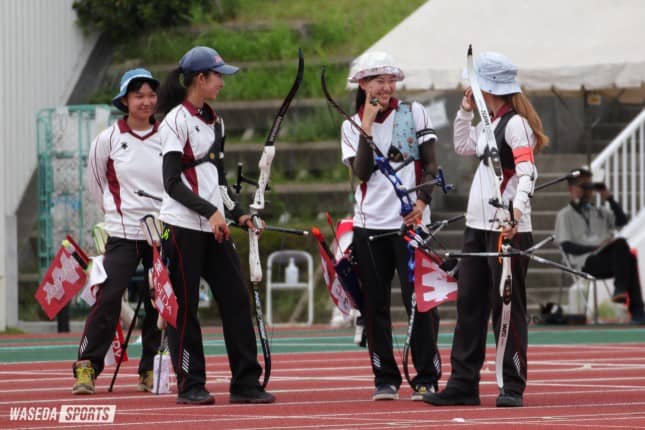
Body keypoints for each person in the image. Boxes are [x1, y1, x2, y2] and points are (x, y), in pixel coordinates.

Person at [424, 52, 548, 408]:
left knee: (507, 309)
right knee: (469, 305)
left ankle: (512, 385)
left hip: (507, 230)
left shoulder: (516, 125)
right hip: (476, 227)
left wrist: (516, 211)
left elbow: (527, 172)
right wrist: (465, 111)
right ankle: (463, 384)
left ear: (486, 87)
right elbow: (464, 145)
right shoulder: (489, 122)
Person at [156, 46, 275, 405]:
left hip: (214, 227)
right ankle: (191, 384)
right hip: (181, 228)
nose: (222, 83)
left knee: (236, 300)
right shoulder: (175, 121)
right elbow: (172, 183)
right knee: (185, 307)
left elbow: (219, 182)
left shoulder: (216, 121)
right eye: (218, 76)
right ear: (200, 78)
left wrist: (239, 214)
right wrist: (210, 212)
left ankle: (245, 383)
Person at [340, 51, 441, 401]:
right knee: (374, 305)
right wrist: (366, 126)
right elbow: (363, 172)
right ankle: (384, 378)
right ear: (363, 85)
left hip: (411, 223)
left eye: (390, 80)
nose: (386, 87)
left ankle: (426, 377)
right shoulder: (350, 125)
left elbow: (431, 165)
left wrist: (422, 202)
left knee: (420, 302)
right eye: (378, 81)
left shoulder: (413, 113)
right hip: (369, 225)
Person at [73, 68, 162, 394]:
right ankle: (87, 367)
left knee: (161, 299)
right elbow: (96, 184)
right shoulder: (108, 139)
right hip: (123, 232)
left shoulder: (167, 136)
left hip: (163, 232)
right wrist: (115, 216)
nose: (146, 102)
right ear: (125, 100)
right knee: (108, 296)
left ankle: (150, 368)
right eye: (138, 96)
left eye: (150, 95)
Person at [555, 168, 645, 324]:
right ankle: (635, 309)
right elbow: (567, 246)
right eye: (582, 186)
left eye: (589, 186)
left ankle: (622, 291)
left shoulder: (600, 212)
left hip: (607, 260)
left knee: (624, 249)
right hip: (585, 263)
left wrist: (608, 197)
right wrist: (595, 248)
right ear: (571, 189)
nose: (587, 191)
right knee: (627, 256)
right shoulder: (565, 215)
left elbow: (622, 221)